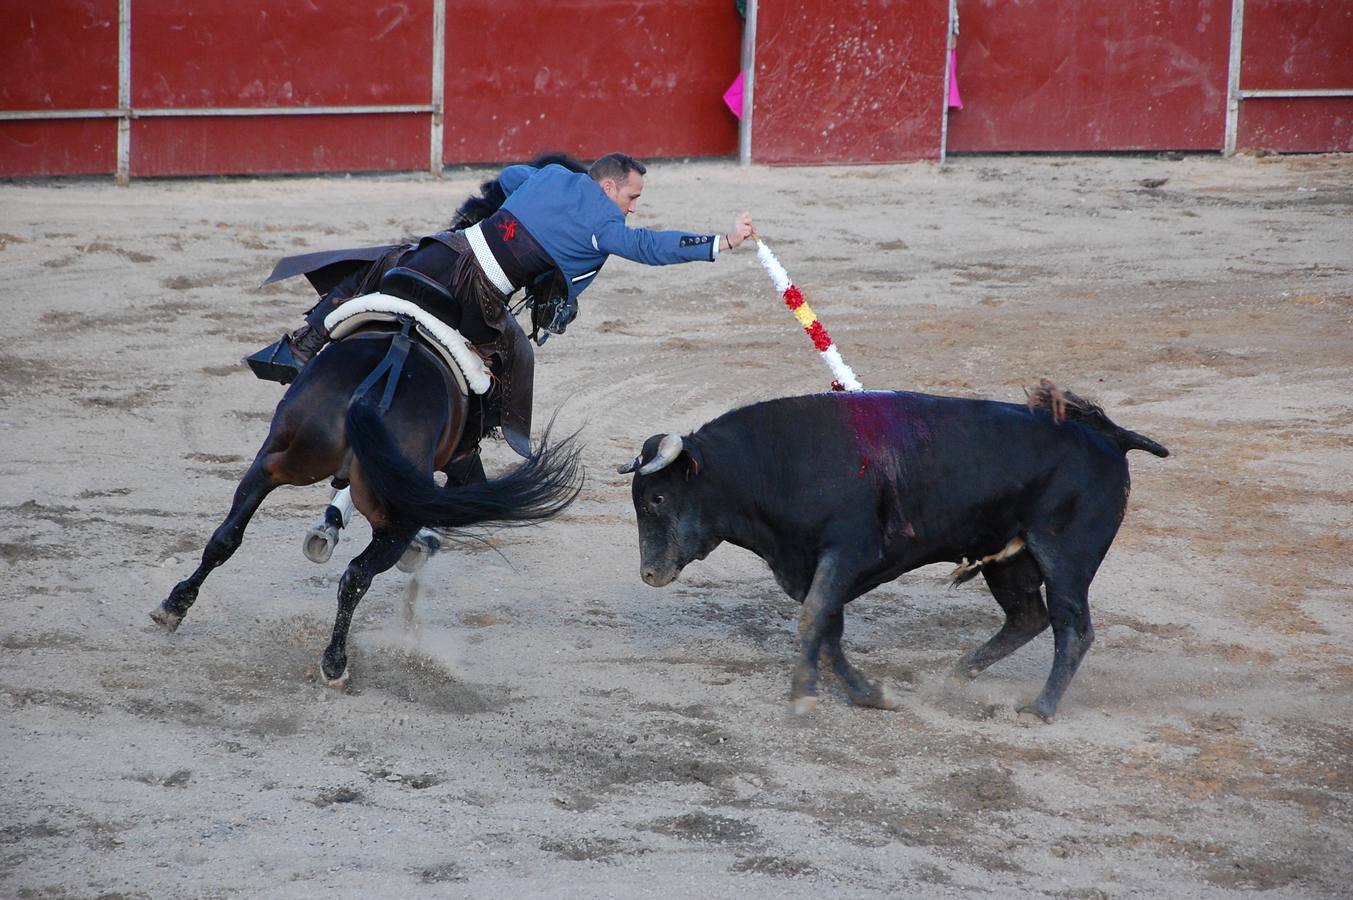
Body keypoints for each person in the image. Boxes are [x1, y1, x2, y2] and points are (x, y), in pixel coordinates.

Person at [246, 152, 755, 455]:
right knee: (506, 362)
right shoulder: (605, 226)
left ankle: (300, 346)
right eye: (632, 197)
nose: (634, 207)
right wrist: (721, 242)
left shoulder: (554, 175)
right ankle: (476, 440)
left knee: (378, 264)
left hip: (451, 251)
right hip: (482, 295)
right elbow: (649, 247)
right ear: (607, 186)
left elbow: (511, 176)